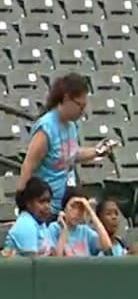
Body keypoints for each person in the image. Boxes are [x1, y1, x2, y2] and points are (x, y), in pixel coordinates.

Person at [16, 73, 116, 215]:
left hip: (64, 204)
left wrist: (98, 151)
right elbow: (28, 165)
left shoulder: (72, 126)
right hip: (45, 207)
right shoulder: (46, 128)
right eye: (80, 106)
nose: (83, 112)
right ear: (66, 99)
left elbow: (72, 154)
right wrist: (22, 203)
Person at [52, 187, 113, 257]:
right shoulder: (54, 228)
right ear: (64, 208)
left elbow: (107, 247)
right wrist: (64, 230)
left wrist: (90, 211)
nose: (77, 212)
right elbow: (56, 260)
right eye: (73, 207)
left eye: (81, 208)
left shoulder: (85, 231)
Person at [4, 177, 55, 256]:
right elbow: (33, 264)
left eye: (48, 201)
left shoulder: (41, 223)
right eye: (42, 201)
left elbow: (54, 254)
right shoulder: (25, 224)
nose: (47, 206)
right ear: (28, 203)